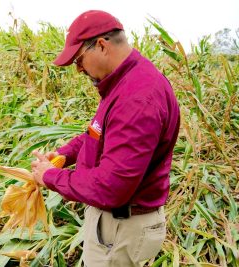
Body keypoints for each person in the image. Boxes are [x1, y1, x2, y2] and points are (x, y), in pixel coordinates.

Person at [31, 10, 180, 267]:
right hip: (116, 225)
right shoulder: (125, 82)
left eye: (79, 59)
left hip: (123, 230)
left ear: (101, 45)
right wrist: (64, 155)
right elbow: (97, 132)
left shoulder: (137, 98)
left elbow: (111, 187)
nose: (78, 69)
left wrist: (49, 176)